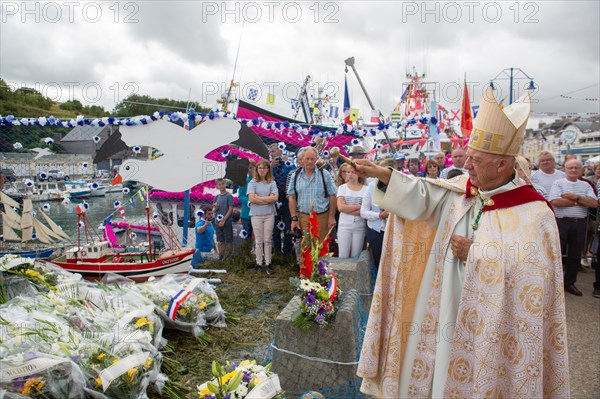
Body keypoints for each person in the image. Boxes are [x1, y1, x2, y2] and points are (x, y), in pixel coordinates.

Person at [355, 87, 569, 398]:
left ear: (502, 165)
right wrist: (384, 175)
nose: (466, 165)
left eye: (476, 160)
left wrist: (478, 254)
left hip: (493, 324)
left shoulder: (534, 213)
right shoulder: (462, 191)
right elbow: (422, 195)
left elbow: (534, 279)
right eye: (467, 156)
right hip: (446, 307)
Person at [549, 159, 598, 296]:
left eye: (576, 168)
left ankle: (569, 283)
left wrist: (573, 196)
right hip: (562, 222)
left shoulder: (586, 185)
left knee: (575, 256)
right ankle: (553, 284)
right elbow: (555, 201)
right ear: (565, 169)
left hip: (580, 223)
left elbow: (594, 203)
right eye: (570, 168)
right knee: (557, 255)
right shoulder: (558, 183)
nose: (573, 170)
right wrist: (581, 201)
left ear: (581, 170)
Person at [288, 147, 337, 274]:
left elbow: (333, 195)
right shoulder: (296, 175)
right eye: (307, 159)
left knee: (321, 247)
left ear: (316, 159)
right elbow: (291, 197)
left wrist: (331, 217)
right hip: (303, 217)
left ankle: (322, 277)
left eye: (312, 159)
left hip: (322, 216)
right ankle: (306, 278)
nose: (310, 161)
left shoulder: (324, 174)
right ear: (302, 160)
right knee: (305, 248)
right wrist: (294, 218)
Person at [361, 158, 393, 270]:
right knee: (379, 262)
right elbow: (363, 212)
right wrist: (379, 216)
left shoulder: (400, 187)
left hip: (394, 230)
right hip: (376, 230)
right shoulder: (371, 186)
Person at [248, 159, 278, 275]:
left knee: (267, 240)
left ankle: (268, 263)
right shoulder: (253, 183)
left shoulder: (272, 183)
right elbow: (251, 199)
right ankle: (258, 263)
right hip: (256, 215)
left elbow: (275, 198)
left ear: (268, 169)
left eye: (264, 168)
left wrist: (259, 198)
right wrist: (267, 199)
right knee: (259, 240)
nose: (262, 170)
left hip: (269, 214)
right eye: (260, 168)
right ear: (257, 169)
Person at [269, 143, 296, 258]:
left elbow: (294, 173)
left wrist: (286, 163)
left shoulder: (289, 164)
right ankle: (277, 253)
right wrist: (270, 167)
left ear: (280, 151)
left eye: (274, 151)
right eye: (270, 152)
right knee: (274, 228)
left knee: (288, 226)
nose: (272, 154)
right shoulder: (268, 166)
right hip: (273, 200)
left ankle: (288, 253)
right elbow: (263, 177)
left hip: (287, 200)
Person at [336, 163, 368, 258]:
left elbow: (365, 210)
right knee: (343, 255)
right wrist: (358, 207)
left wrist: (348, 208)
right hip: (344, 225)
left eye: (353, 172)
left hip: (359, 225)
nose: (350, 174)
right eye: (348, 172)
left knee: (356, 255)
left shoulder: (366, 189)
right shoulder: (342, 188)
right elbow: (341, 207)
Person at [213, 178, 234, 260]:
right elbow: (213, 209)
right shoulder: (216, 197)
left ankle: (228, 257)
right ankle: (221, 256)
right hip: (218, 222)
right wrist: (215, 208)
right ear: (217, 186)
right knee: (220, 240)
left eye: (222, 184)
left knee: (228, 240)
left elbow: (230, 208)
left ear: (225, 184)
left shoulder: (229, 196)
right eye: (219, 184)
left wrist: (224, 220)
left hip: (227, 222)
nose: (221, 186)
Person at [237, 160, 256, 243]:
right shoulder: (243, 180)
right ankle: (246, 252)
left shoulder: (261, 180)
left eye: (251, 167)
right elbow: (240, 196)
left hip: (258, 213)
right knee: (246, 235)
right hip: (246, 213)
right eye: (247, 168)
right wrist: (249, 201)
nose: (249, 170)